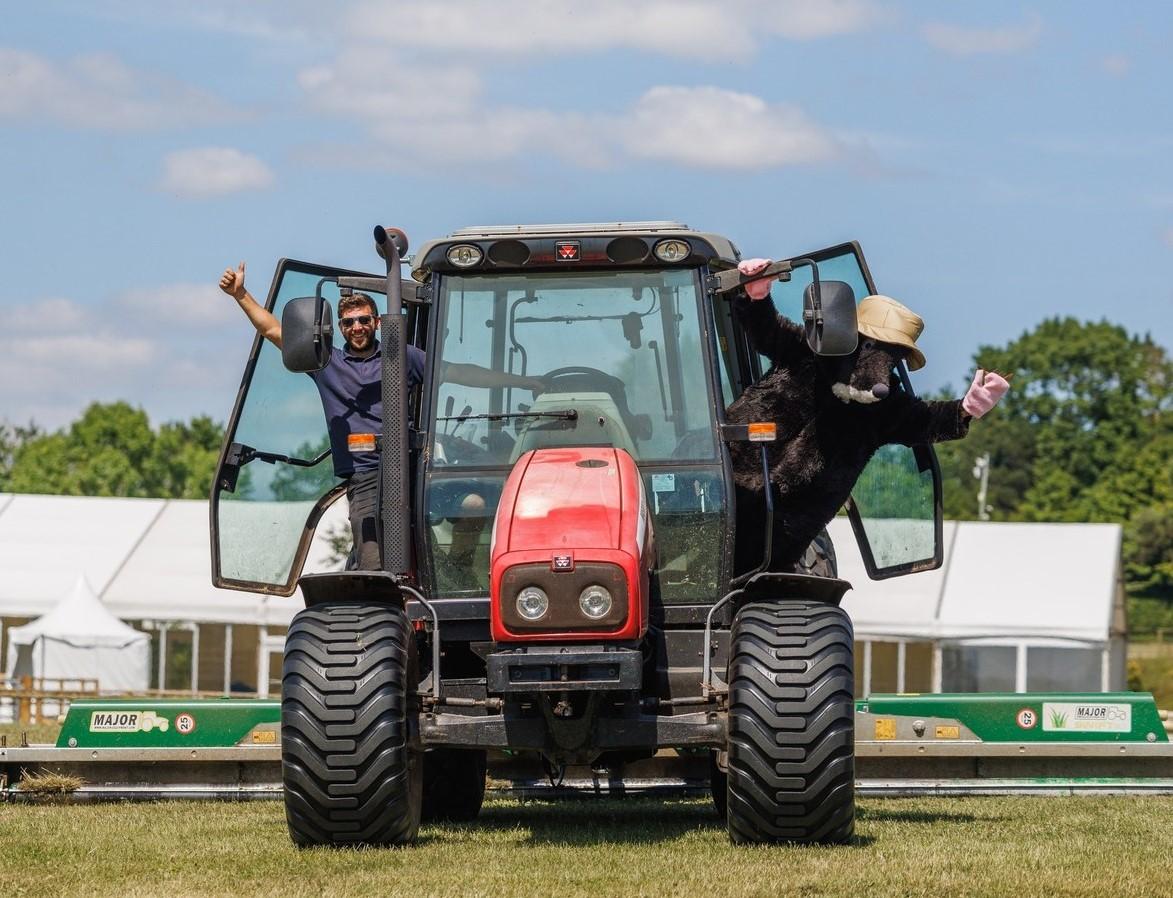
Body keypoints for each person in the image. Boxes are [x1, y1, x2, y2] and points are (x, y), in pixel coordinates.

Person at [220, 261, 544, 570]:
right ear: (340, 328)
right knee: (374, 559)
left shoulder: (403, 357)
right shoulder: (326, 364)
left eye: (363, 320)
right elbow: (274, 331)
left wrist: (523, 382)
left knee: (473, 505)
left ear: (377, 323)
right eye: (348, 323)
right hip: (366, 476)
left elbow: (459, 373)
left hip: (412, 467)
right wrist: (240, 295)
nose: (357, 327)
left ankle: (454, 565)